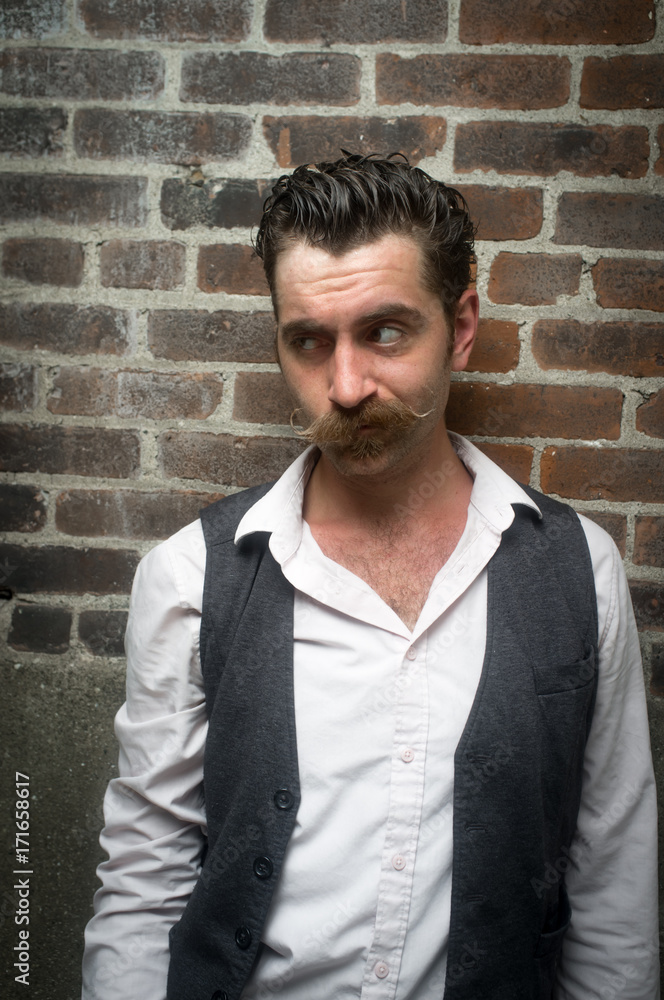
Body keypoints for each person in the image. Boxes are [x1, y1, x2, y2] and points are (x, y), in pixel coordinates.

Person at [82, 153, 659, 1000]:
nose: (346, 387)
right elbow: (144, 882)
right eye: (309, 341)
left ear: (461, 326)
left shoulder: (580, 570)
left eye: (385, 332)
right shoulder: (190, 577)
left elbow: (613, 886)